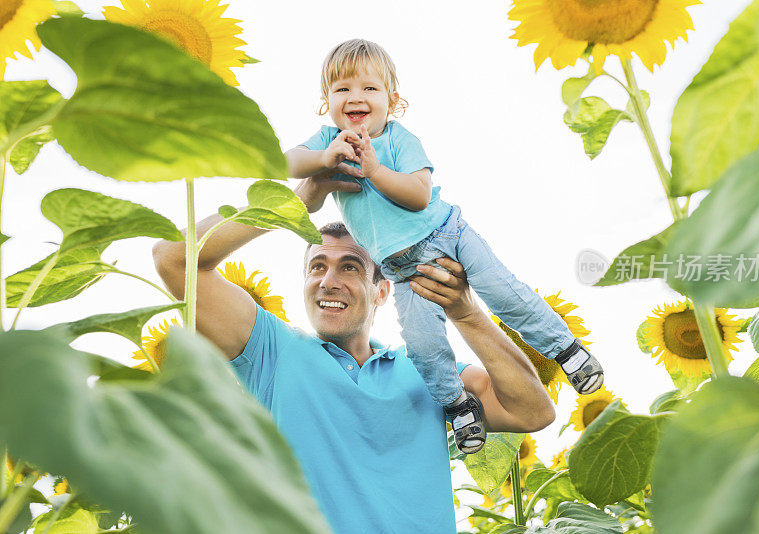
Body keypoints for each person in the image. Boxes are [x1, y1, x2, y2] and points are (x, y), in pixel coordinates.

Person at [152, 171, 557, 534]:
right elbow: (172, 257)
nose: (329, 281)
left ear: (383, 290)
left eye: (350, 267)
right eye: (317, 266)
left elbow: (532, 411)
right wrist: (289, 206)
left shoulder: (426, 370)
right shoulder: (270, 350)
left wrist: (465, 312)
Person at [284, 39, 603, 453]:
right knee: (422, 343)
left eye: (369, 88)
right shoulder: (330, 140)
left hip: (448, 236)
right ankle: (458, 406)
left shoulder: (398, 140)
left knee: (504, 295)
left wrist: (374, 169)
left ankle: (567, 350)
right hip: (402, 270)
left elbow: (417, 194)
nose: (355, 97)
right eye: (341, 89)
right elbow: (288, 161)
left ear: (392, 100)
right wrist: (324, 157)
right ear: (326, 101)